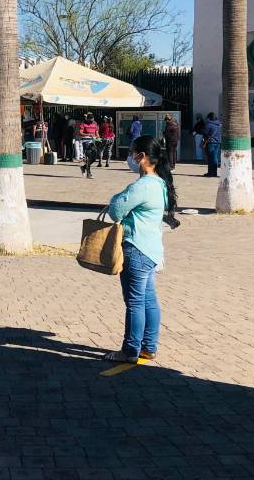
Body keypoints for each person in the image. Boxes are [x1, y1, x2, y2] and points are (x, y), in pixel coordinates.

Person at [102, 135, 177, 363]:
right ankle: (149, 347)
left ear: (141, 156)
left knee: (134, 302)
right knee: (148, 300)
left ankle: (130, 350)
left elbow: (116, 210)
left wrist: (116, 197)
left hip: (136, 248)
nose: (130, 158)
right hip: (152, 250)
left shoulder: (142, 186)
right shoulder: (160, 183)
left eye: (132, 153)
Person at [202, 113, 221, 177]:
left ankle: (210, 172)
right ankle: (214, 173)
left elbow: (205, 132)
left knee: (210, 158)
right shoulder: (219, 124)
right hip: (217, 142)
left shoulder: (208, 124)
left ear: (209, 118)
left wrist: (202, 131)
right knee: (215, 157)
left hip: (210, 142)